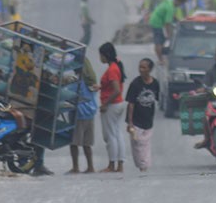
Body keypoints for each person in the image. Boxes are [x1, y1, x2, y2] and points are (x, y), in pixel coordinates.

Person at [94, 42, 127, 173]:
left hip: (112, 105)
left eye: (100, 55)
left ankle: (112, 164)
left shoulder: (112, 69)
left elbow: (116, 90)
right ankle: (120, 164)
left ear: (105, 55)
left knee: (110, 136)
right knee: (117, 134)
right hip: (117, 104)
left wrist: (105, 104)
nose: (100, 58)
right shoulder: (115, 65)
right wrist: (101, 87)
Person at [126, 58, 160, 172]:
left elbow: (157, 99)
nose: (141, 70)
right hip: (136, 119)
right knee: (137, 143)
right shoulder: (135, 84)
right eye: (140, 67)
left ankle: (143, 166)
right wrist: (130, 122)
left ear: (150, 69)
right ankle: (142, 165)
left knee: (144, 144)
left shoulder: (155, 83)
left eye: (144, 67)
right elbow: (131, 104)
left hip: (148, 119)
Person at [67, 57, 98, 174]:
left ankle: (75, 167)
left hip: (78, 115)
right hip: (89, 114)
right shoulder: (91, 83)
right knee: (87, 143)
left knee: (74, 143)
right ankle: (90, 166)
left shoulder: (75, 84)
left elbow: (68, 97)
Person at [148, 0, 187, 66]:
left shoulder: (170, 2)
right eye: (181, 4)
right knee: (159, 41)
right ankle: (160, 60)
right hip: (157, 23)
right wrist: (169, 35)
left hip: (156, 20)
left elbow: (173, 15)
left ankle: (161, 57)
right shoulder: (170, 8)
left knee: (162, 40)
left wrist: (180, 21)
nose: (181, 5)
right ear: (178, 1)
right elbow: (167, 23)